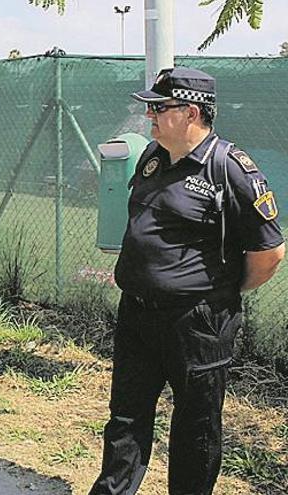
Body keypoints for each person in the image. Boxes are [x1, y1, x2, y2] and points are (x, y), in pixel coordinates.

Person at [89, 67, 285, 495]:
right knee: (125, 417)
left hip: (197, 323)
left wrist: (216, 291)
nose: (150, 117)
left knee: (196, 428)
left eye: (160, 108)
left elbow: (269, 253)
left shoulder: (230, 169)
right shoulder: (153, 156)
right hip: (138, 314)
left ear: (191, 112)